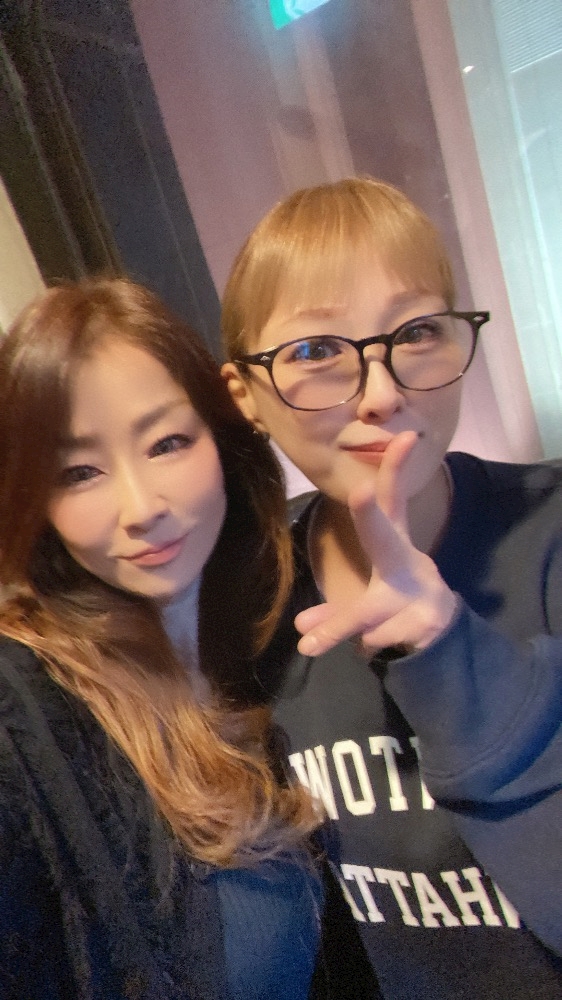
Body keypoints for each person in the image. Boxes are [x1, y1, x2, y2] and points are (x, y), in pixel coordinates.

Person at [221, 177, 562, 998]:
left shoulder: (548, 536)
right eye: (316, 352)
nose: (383, 393)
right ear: (246, 396)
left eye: (416, 332)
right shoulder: (245, 600)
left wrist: (450, 654)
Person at [0, 276, 379, 999]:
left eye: (167, 443)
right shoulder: (23, 720)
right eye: (79, 471)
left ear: (224, 442)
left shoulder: (269, 642)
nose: (141, 507)